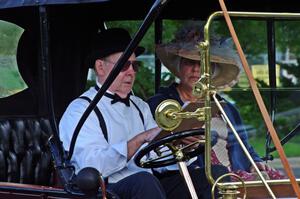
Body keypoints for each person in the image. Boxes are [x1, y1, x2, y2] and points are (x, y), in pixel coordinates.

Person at [59, 27, 217, 199]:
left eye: (135, 65)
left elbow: (157, 157)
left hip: (150, 184)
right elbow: (91, 167)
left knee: (213, 175)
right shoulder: (80, 110)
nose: (131, 72)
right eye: (124, 65)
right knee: (144, 181)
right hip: (108, 190)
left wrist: (182, 144)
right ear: (100, 67)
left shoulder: (139, 106)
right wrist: (139, 140)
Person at [147, 22, 286, 181]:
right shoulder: (162, 106)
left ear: (211, 70)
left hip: (236, 174)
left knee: (278, 181)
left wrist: (255, 162)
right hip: (196, 179)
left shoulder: (224, 107)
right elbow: (156, 151)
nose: (196, 69)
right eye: (189, 62)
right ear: (179, 66)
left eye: (202, 64)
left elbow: (244, 147)